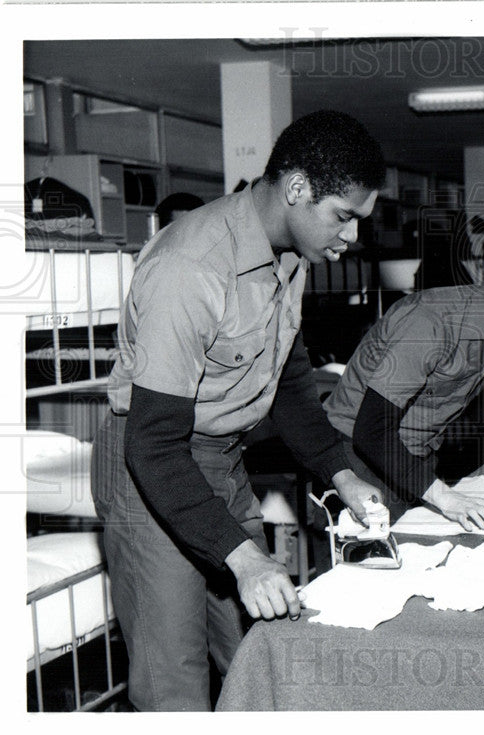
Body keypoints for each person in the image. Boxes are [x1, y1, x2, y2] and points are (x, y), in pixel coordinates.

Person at [91, 110, 387, 711]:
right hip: (150, 465)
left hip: (219, 461)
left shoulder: (290, 257)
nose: (352, 237)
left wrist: (344, 474)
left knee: (259, 652)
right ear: (298, 189)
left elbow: (292, 383)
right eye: (345, 216)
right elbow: (153, 443)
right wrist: (245, 557)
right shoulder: (191, 266)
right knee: (175, 680)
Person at [322, 254, 484, 530]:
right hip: (356, 457)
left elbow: (481, 398)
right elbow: (373, 430)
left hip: (407, 458)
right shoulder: (430, 322)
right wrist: (444, 497)